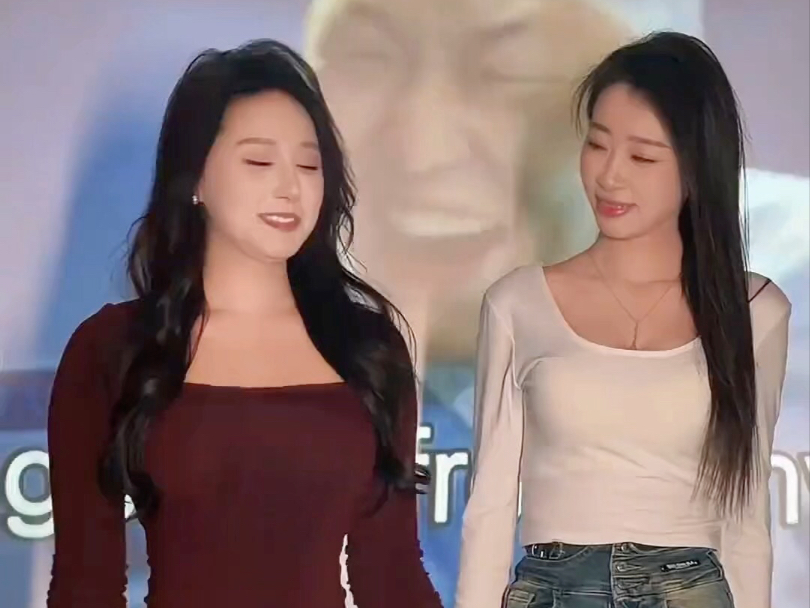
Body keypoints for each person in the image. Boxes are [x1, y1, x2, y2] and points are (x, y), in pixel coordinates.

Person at [46, 39, 442, 608]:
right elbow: (86, 584)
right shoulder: (111, 348)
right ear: (195, 180)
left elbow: (393, 574)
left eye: (309, 164)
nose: (290, 187)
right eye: (259, 162)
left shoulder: (367, 346)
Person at [455, 31, 790, 608]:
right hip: (553, 588)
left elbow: (745, 513)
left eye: (642, 157)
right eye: (597, 144)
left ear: (695, 168)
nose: (610, 175)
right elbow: (488, 507)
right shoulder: (518, 303)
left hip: (689, 588)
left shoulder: (754, 310)